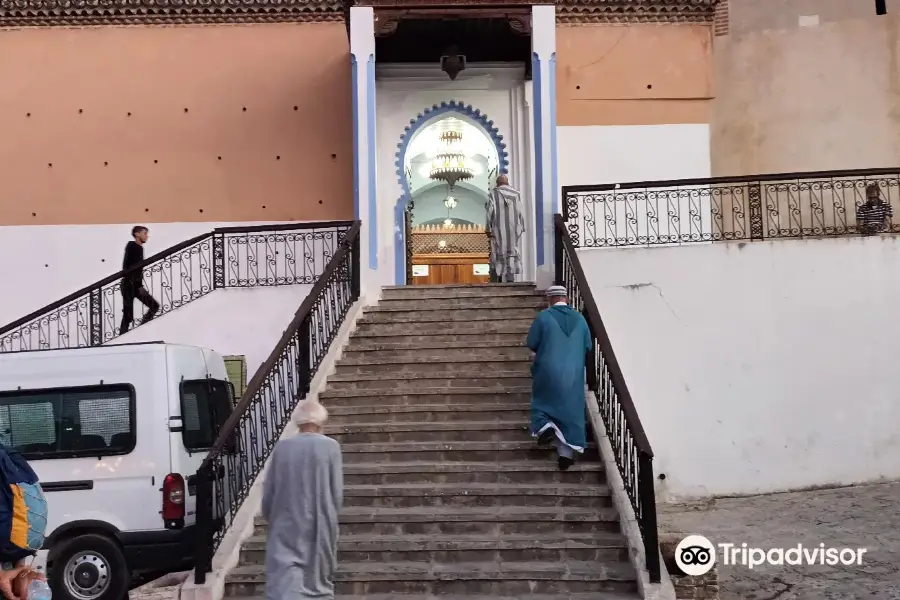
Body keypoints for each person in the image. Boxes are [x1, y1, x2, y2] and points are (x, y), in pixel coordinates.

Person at [263, 401, 343, 600]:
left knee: (285, 579)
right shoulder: (331, 447)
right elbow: (336, 491)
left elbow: (270, 489)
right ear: (320, 421)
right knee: (316, 578)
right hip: (319, 522)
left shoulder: (283, 448)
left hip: (286, 521)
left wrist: (270, 516)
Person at [526, 285, 592, 471]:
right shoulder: (579, 319)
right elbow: (587, 345)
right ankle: (565, 455)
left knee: (543, 402)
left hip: (548, 369)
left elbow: (532, 342)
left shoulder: (543, 317)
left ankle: (545, 426)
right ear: (566, 298)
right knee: (570, 413)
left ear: (549, 299)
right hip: (573, 373)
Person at [486, 174, 526, 283]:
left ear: (497, 183)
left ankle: (499, 277)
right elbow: (520, 211)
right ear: (507, 182)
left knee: (499, 251)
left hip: (498, 228)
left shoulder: (493, 194)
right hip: (514, 228)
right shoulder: (516, 194)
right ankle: (510, 277)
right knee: (512, 251)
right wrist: (522, 226)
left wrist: (488, 228)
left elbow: (489, 211)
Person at [120, 226, 160, 335]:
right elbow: (127, 267)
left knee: (154, 306)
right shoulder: (132, 246)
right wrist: (138, 284)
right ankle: (121, 336)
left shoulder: (140, 248)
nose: (147, 236)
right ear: (137, 234)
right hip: (129, 285)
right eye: (145, 233)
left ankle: (141, 327)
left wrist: (139, 284)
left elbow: (137, 270)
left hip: (136, 285)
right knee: (128, 315)